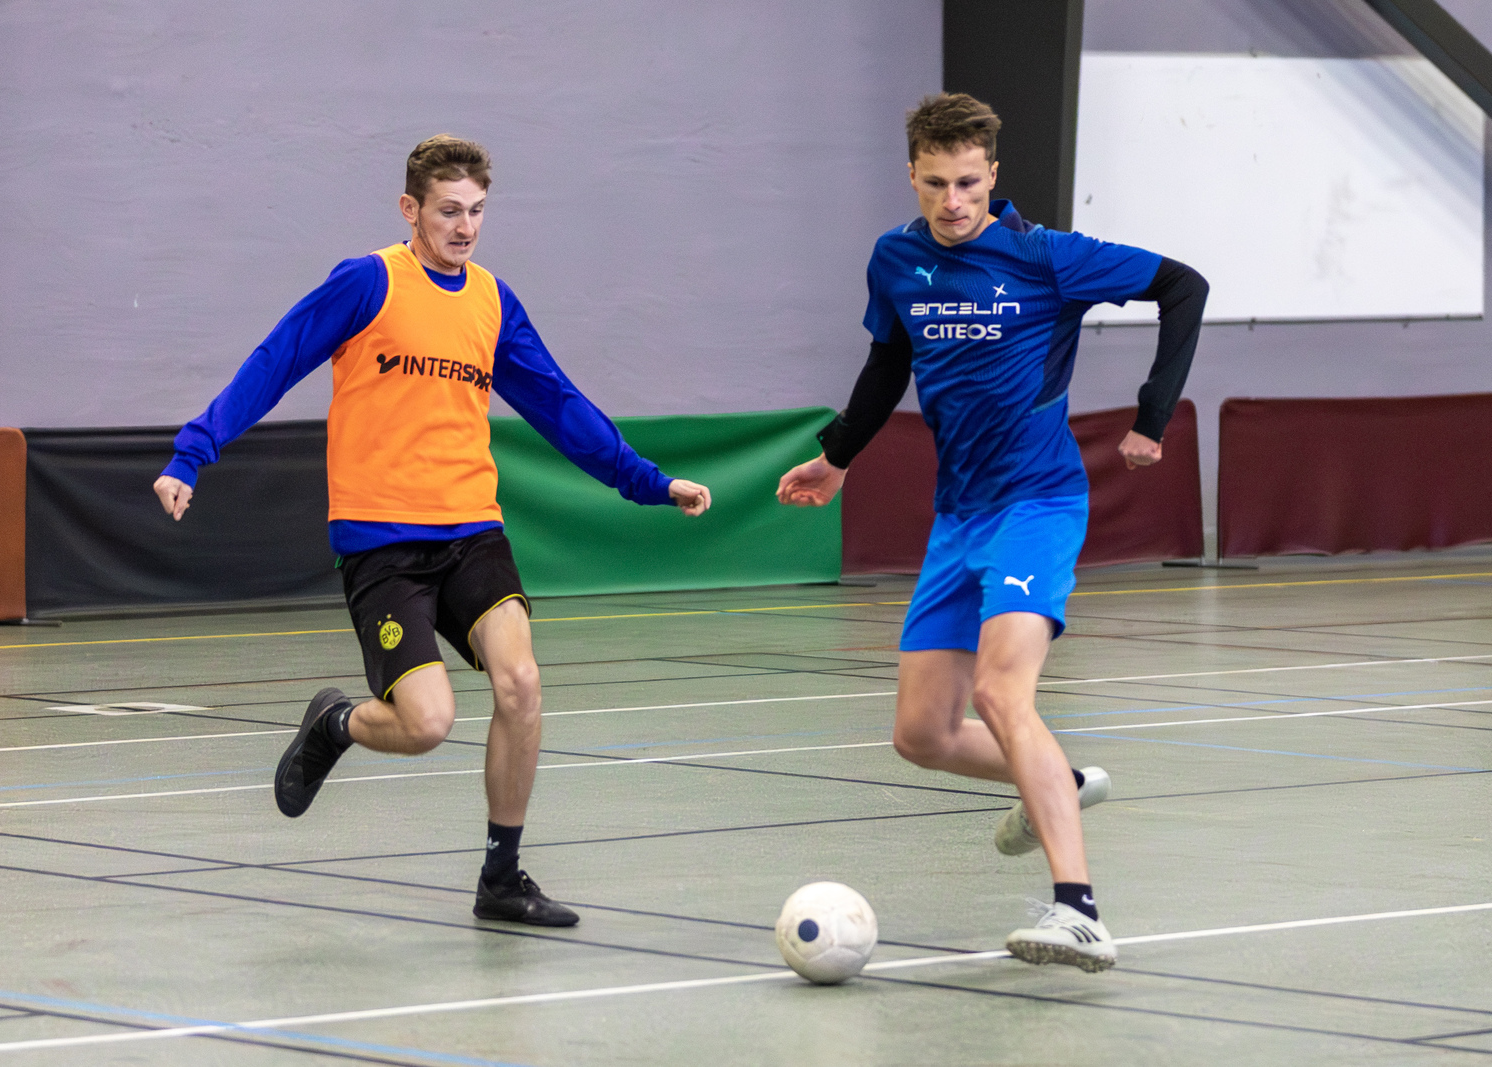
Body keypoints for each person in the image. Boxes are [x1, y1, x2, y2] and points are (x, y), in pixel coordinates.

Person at [154, 134, 711, 929]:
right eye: (449, 211)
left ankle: (501, 877)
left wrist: (647, 481)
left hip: (472, 529)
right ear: (410, 209)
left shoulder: (491, 300)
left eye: (477, 211)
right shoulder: (367, 282)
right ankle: (336, 723)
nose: (465, 227)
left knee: (521, 683)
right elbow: (276, 359)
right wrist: (193, 452)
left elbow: (558, 404)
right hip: (383, 544)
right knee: (426, 723)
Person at [776, 94, 1206, 971]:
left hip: (1037, 505)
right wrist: (838, 456)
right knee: (922, 735)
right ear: (912, 175)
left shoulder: (1046, 257)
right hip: (958, 515)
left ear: (992, 175)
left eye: (968, 183)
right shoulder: (896, 259)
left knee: (1003, 696)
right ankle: (1060, 782)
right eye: (936, 183)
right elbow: (888, 361)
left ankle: (1079, 910)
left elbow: (1182, 286)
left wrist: (1153, 415)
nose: (954, 201)